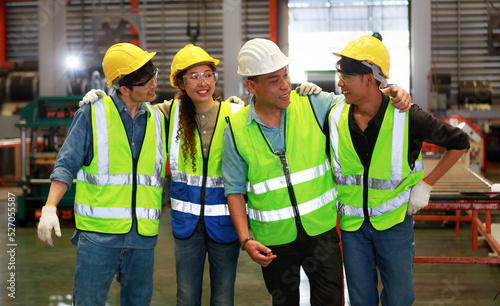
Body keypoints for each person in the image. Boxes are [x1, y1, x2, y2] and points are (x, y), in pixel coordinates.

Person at [79, 44, 322, 306]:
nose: (202, 82)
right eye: (193, 77)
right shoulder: (167, 114)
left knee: (222, 296)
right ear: (181, 83)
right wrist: (103, 98)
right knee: (186, 296)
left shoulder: (235, 114)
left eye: (208, 74)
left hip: (225, 225)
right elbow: (131, 108)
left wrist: (307, 96)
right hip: (186, 226)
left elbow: (271, 113)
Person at [222, 38, 412, 306]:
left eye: (286, 75)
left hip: (321, 234)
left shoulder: (313, 104)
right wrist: (245, 240)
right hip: (273, 241)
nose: (286, 84)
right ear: (251, 86)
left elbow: (363, 97)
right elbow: (234, 189)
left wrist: (393, 89)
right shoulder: (236, 128)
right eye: (274, 80)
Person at [328, 36, 470, 305]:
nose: (339, 83)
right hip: (351, 228)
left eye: (346, 76)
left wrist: (427, 184)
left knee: (399, 299)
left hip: (394, 224)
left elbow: (459, 142)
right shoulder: (334, 115)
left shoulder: (408, 115)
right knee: (361, 300)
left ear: (369, 79)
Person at [37, 43, 168, 305]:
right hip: (98, 238)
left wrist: (232, 109)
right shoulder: (91, 113)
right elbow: (67, 163)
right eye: (145, 80)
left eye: (154, 73)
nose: (154, 83)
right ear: (124, 88)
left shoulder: (157, 118)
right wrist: (50, 206)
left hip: (142, 239)